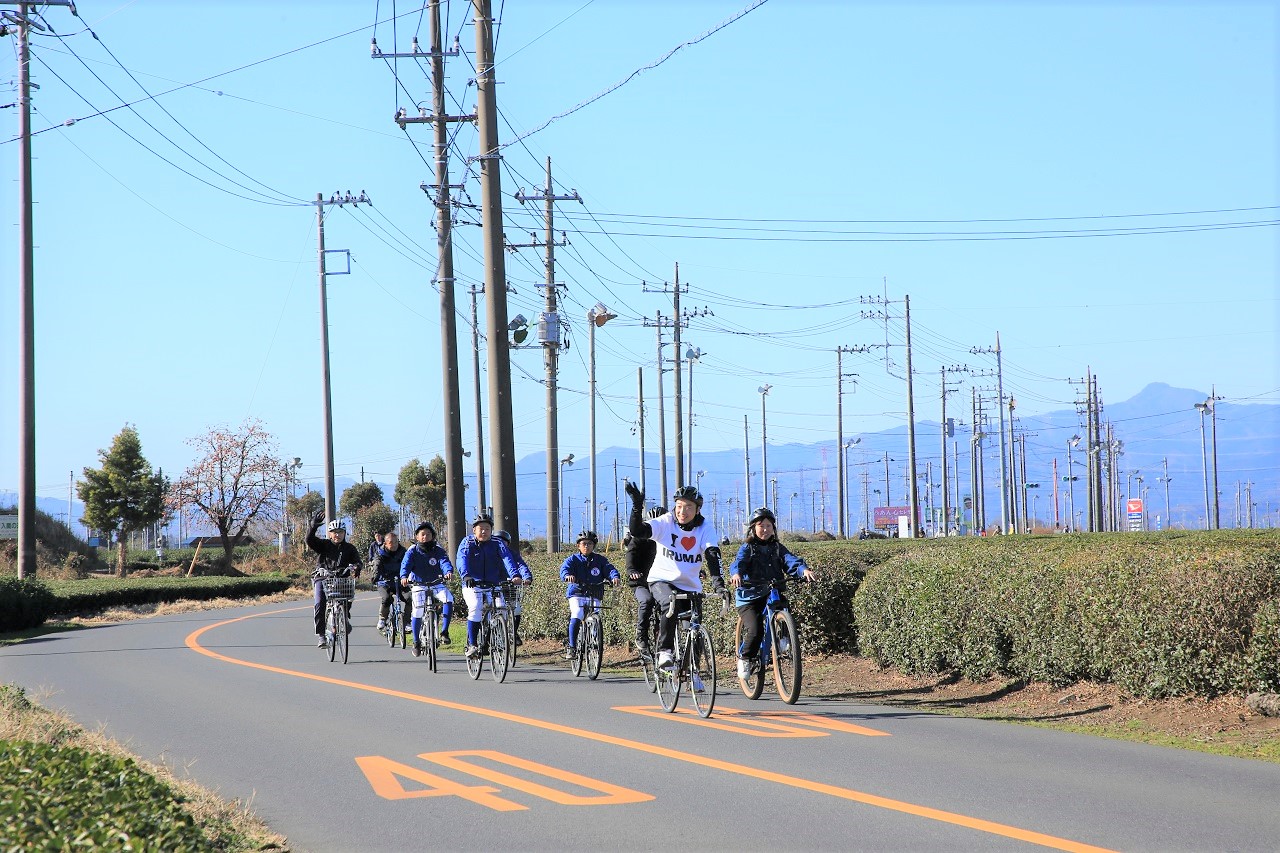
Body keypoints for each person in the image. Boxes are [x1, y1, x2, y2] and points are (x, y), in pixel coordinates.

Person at [624, 482, 725, 671]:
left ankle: (693, 672)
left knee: (694, 628)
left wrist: (718, 584)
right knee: (669, 603)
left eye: (688, 507)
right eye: (679, 506)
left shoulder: (705, 527)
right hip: (661, 580)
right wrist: (637, 506)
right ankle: (665, 651)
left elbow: (713, 554)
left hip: (690, 585)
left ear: (698, 509)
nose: (682, 512)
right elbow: (638, 531)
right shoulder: (666, 521)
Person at [728, 506, 814, 679]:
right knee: (756, 630)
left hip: (771, 591)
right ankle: (745, 658)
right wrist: (736, 574)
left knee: (784, 606)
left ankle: (783, 637)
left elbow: (790, 560)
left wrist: (803, 570)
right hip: (750, 597)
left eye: (769, 526)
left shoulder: (777, 547)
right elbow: (739, 563)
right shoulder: (747, 548)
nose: (765, 529)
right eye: (761, 526)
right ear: (753, 528)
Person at [455, 513, 522, 659]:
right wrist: (466, 575)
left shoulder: (497, 543)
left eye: (487, 528)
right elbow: (461, 559)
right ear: (474, 530)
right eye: (481, 528)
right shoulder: (467, 542)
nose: (484, 531)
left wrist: (515, 575)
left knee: (502, 609)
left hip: (493, 584)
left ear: (491, 530)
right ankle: (472, 645)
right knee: (475, 607)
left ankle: (495, 637)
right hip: (472, 584)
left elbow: (507, 559)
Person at [304, 509, 362, 647]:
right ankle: (321, 635)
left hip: (342, 579)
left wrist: (356, 567)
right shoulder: (324, 545)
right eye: (334, 532)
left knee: (348, 597)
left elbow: (357, 561)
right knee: (320, 603)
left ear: (345, 533)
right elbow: (309, 540)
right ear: (329, 534)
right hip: (323, 578)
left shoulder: (350, 548)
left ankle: (343, 617)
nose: (337, 534)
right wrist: (313, 527)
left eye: (340, 532)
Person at [559, 530, 620, 658]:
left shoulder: (600, 560)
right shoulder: (572, 559)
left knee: (595, 616)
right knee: (577, 613)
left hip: (594, 593)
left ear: (594, 546)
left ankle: (594, 642)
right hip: (577, 593)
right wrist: (568, 575)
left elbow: (610, 569)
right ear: (578, 546)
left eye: (590, 544)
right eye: (584, 543)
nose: (587, 546)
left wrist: (614, 577)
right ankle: (572, 647)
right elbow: (565, 569)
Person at [400, 521, 456, 656]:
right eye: (422, 534)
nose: (425, 537)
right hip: (418, 584)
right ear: (417, 537)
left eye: (428, 534)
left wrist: (448, 572)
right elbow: (406, 564)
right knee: (418, 611)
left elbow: (444, 562)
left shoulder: (438, 549)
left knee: (449, 599)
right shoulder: (412, 550)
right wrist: (404, 576)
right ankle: (416, 642)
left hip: (436, 583)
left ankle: (444, 632)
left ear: (433, 536)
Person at [624, 506, 666, 655]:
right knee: (647, 601)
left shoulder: (669, 538)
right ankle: (641, 634)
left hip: (661, 582)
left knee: (671, 604)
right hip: (641, 582)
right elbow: (631, 554)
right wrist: (632, 571)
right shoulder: (639, 538)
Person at [493, 530, 532, 646]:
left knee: (516, 609)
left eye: (503, 542)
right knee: (494, 608)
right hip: (493, 585)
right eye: (498, 541)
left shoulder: (512, 554)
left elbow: (521, 565)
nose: (501, 544)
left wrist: (526, 577)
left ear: (508, 543)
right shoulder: (490, 553)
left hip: (509, 584)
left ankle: (513, 633)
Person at [370, 531, 408, 633]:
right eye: (391, 542)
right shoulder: (380, 553)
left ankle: (406, 622)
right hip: (384, 582)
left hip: (400, 581)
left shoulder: (403, 552)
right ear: (385, 543)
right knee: (386, 598)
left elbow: (409, 564)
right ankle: (382, 619)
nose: (394, 545)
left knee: (410, 598)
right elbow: (377, 565)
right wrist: (375, 578)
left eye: (396, 542)